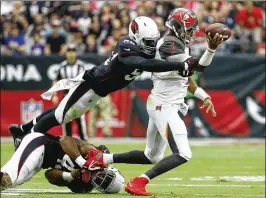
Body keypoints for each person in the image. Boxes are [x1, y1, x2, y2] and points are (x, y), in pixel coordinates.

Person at [9, 16, 200, 155]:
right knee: (60, 116)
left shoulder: (143, 44)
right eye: (148, 42)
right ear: (135, 36)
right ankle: (26, 139)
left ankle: (22, 129)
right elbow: (143, 64)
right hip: (91, 86)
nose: (152, 46)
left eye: (153, 41)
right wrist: (180, 64)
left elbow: (157, 58)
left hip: (99, 91)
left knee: (60, 112)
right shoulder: (126, 45)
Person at [86, 8, 224, 196]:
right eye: (189, 28)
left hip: (161, 103)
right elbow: (198, 67)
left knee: (151, 156)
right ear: (178, 27)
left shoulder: (178, 42)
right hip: (164, 105)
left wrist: (202, 95)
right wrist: (211, 49)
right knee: (183, 153)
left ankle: (103, 158)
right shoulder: (169, 44)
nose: (192, 33)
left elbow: (186, 76)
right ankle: (139, 182)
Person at [0, 132, 124, 194]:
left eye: (104, 184)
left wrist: (70, 176)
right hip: (40, 143)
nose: (102, 179)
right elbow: (65, 140)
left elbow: (49, 175)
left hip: (40, 163)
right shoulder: (92, 154)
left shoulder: (83, 186)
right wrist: (82, 163)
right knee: (10, 178)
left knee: (9, 182)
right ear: (109, 170)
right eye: (107, 178)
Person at [52, 43, 89, 141]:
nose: (71, 54)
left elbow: (88, 81)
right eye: (69, 51)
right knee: (66, 122)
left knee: (80, 122)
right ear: (66, 53)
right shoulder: (62, 67)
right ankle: (68, 146)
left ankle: (86, 145)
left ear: (76, 53)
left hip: (79, 98)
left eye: (73, 51)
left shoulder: (81, 66)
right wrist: (54, 94)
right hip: (66, 98)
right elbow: (56, 80)